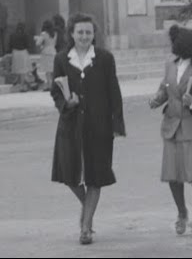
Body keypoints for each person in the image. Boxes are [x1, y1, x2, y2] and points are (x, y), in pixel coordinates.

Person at [50, 13, 125, 245]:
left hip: (99, 126)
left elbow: (114, 91)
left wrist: (117, 123)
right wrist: (66, 104)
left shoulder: (104, 58)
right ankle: (87, 209)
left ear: (94, 35)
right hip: (70, 125)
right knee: (70, 174)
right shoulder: (62, 59)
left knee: (95, 176)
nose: (84, 36)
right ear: (71, 33)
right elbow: (55, 91)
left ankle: (86, 227)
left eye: (88, 32)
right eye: (80, 32)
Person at [148, 26, 192, 240]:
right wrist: (156, 99)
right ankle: (182, 212)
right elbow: (165, 89)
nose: (174, 50)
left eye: (178, 47)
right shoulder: (170, 64)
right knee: (173, 176)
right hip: (172, 127)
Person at [36, 19, 58, 88]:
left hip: (46, 52)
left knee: (47, 70)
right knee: (52, 70)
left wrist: (37, 39)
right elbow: (55, 43)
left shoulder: (44, 34)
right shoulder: (55, 33)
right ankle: (54, 84)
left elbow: (38, 43)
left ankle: (49, 85)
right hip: (53, 51)